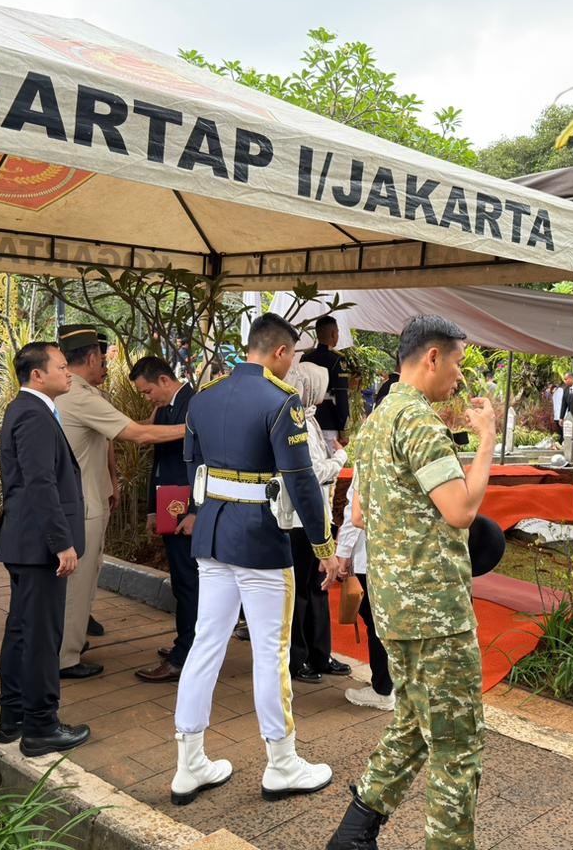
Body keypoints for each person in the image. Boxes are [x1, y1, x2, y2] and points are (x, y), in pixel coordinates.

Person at [325, 314, 494, 850]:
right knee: (457, 745)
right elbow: (461, 509)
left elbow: (360, 514)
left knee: (415, 722)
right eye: (458, 365)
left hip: (395, 602)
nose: (459, 380)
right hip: (435, 611)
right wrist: (488, 438)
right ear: (432, 357)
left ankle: (354, 832)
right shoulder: (418, 421)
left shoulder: (377, 420)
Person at [170, 313, 338, 806]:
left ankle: (189, 763)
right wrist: (323, 544)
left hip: (213, 537)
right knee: (271, 652)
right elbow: (301, 480)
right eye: (294, 358)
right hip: (261, 542)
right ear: (282, 352)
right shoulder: (281, 403)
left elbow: (191, 466)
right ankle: (282, 763)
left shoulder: (202, 399)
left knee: (205, 646)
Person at [53, 326, 182, 679]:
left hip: (85, 497)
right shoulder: (81, 396)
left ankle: (68, 642)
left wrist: (112, 479)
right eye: (102, 358)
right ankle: (66, 655)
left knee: (84, 576)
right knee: (78, 582)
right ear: (92, 357)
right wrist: (194, 427)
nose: (106, 366)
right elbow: (137, 435)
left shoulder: (76, 393)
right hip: (83, 502)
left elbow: (112, 434)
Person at [0, 341, 91, 756]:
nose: (69, 374)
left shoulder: (30, 410)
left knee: (22, 631)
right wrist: (61, 542)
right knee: (40, 637)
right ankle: (41, 727)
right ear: (38, 375)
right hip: (38, 545)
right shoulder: (33, 415)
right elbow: (39, 483)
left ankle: (13, 715)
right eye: (62, 367)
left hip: (25, 541)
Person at [281, 361, 351, 685]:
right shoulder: (295, 422)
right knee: (301, 592)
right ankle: (298, 658)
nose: (324, 394)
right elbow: (311, 474)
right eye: (319, 387)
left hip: (316, 517)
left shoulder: (309, 419)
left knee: (318, 588)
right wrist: (340, 459)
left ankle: (320, 653)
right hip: (297, 521)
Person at [131, 356, 197, 684]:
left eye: (147, 391)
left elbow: (204, 462)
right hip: (170, 501)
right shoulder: (168, 408)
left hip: (186, 506)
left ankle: (185, 655)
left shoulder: (193, 404)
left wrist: (197, 510)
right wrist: (152, 509)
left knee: (189, 582)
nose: (147, 398)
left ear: (164, 381)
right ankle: (185, 644)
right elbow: (159, 461)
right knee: (182, 580)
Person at [335, 469, 394, 711]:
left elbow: (356, 509)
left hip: (372, 552)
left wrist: (344, 550)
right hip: (403, 552)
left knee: (377, 623)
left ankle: (383, 689)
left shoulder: (373, 446)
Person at [301, 315, 351, 452]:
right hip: (329, 424)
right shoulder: (337, 360)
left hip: (307, 423)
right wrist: (344, 431)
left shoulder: (305, 357)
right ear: (334, 334)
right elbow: (341, 396)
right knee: (331, 468)